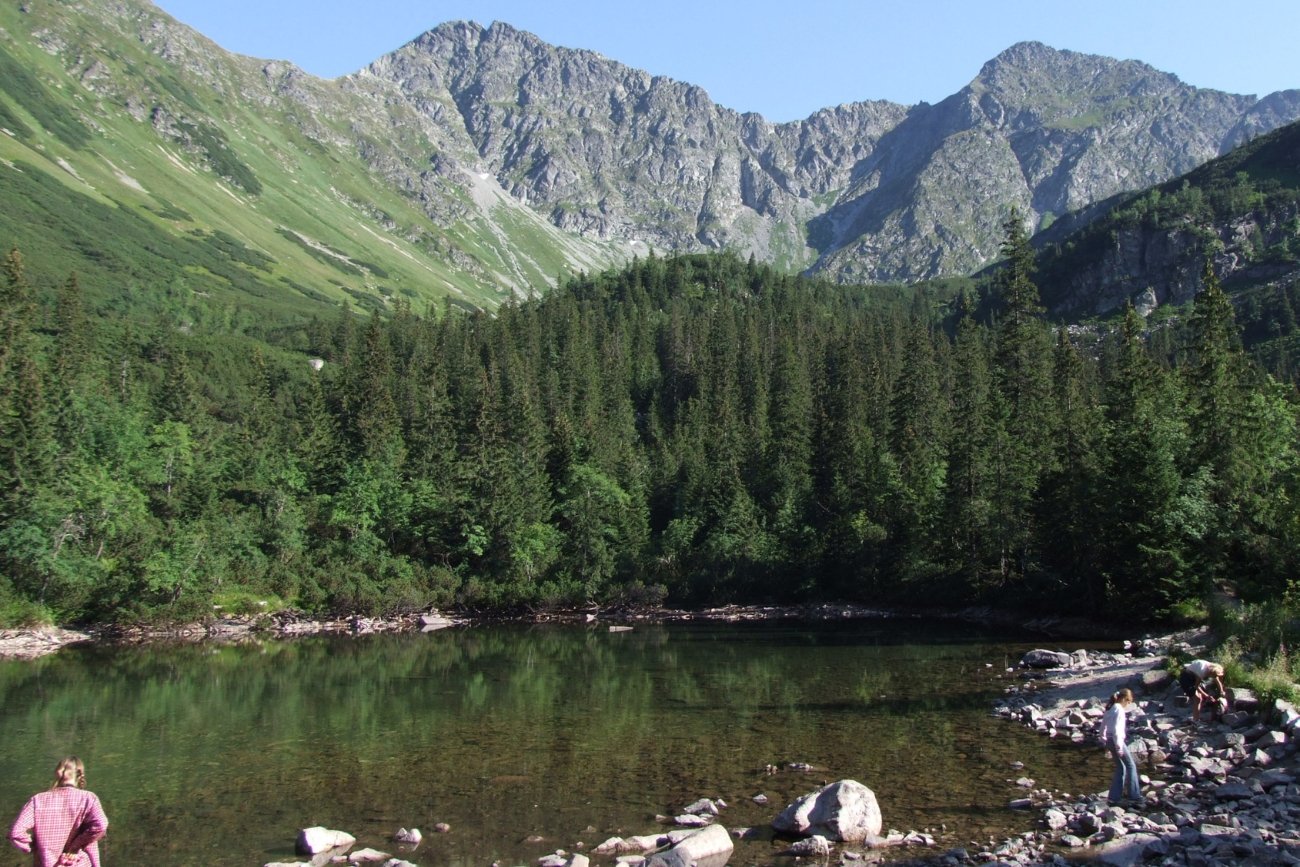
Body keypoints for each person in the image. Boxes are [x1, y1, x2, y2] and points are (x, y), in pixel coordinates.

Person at [9, 756, 108, 867]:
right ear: (79, 775)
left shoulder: (38, 800)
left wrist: (36, 847)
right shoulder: (88, 799)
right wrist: (76, 846)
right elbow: (101, 825)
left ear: (58, 772)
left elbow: (16, 833)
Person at [1100, 688, 1142, 806]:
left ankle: (1114, 797)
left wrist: (1103, 739)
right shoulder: (1119, 710)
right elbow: (1117, 730)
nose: (1128, 705)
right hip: (1116, 741)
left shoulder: (1110, 708)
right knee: (1131, 765)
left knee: (1120, 767)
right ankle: (1134, 795)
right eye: (1128, 702)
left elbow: (1103, 726)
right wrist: (1119, 746)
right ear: (1124, 699)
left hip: (1108, 740)